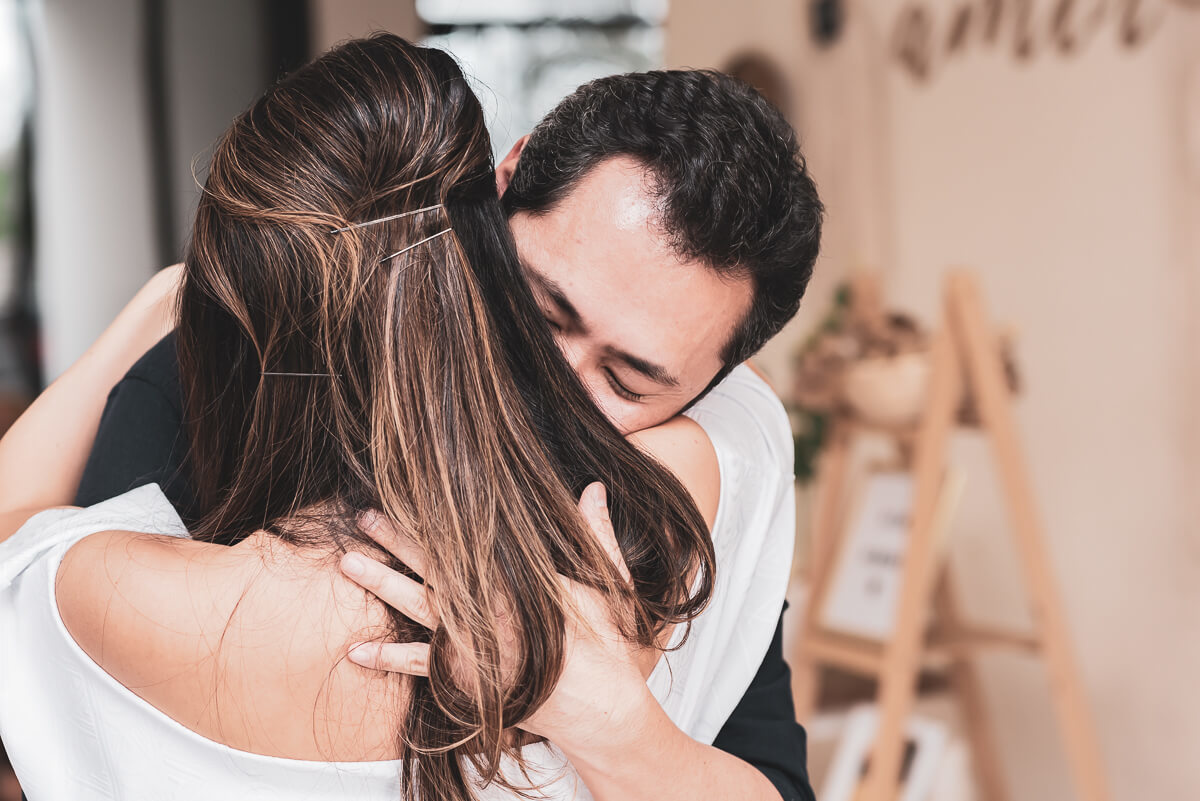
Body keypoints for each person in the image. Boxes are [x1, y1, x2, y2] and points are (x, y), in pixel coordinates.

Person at [0, 35, 812, 801]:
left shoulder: (710, 462)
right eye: (544, 309)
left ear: (714, 380)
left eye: (627, 378)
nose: (554, 383)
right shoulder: (220, 382)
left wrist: (614, 725)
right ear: (500, 189)